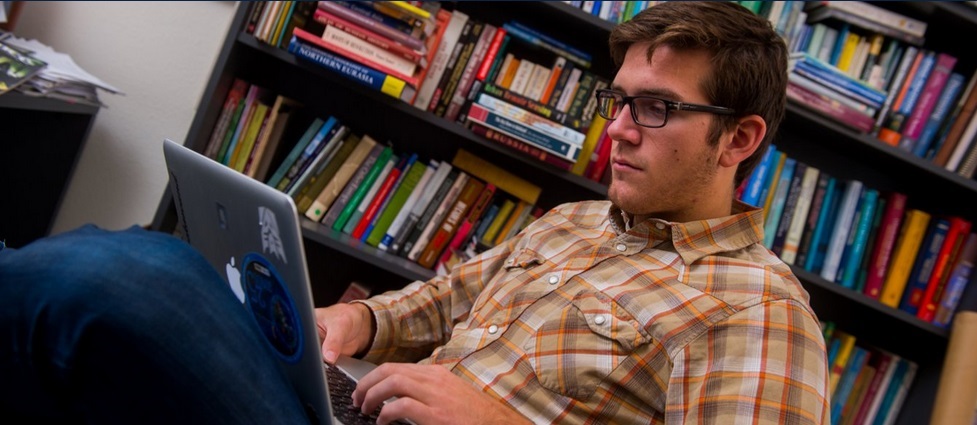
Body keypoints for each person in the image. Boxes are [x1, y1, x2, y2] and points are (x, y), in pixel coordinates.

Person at [0, 2, 828, 424]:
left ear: (738, 139)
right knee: (91, 336)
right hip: (364, 411)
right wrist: (347, 328)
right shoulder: (575, 223)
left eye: (653, 110)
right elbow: (440, 300)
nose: (616, 130)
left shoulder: (755, 308)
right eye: (617, 102)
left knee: (127, 277)